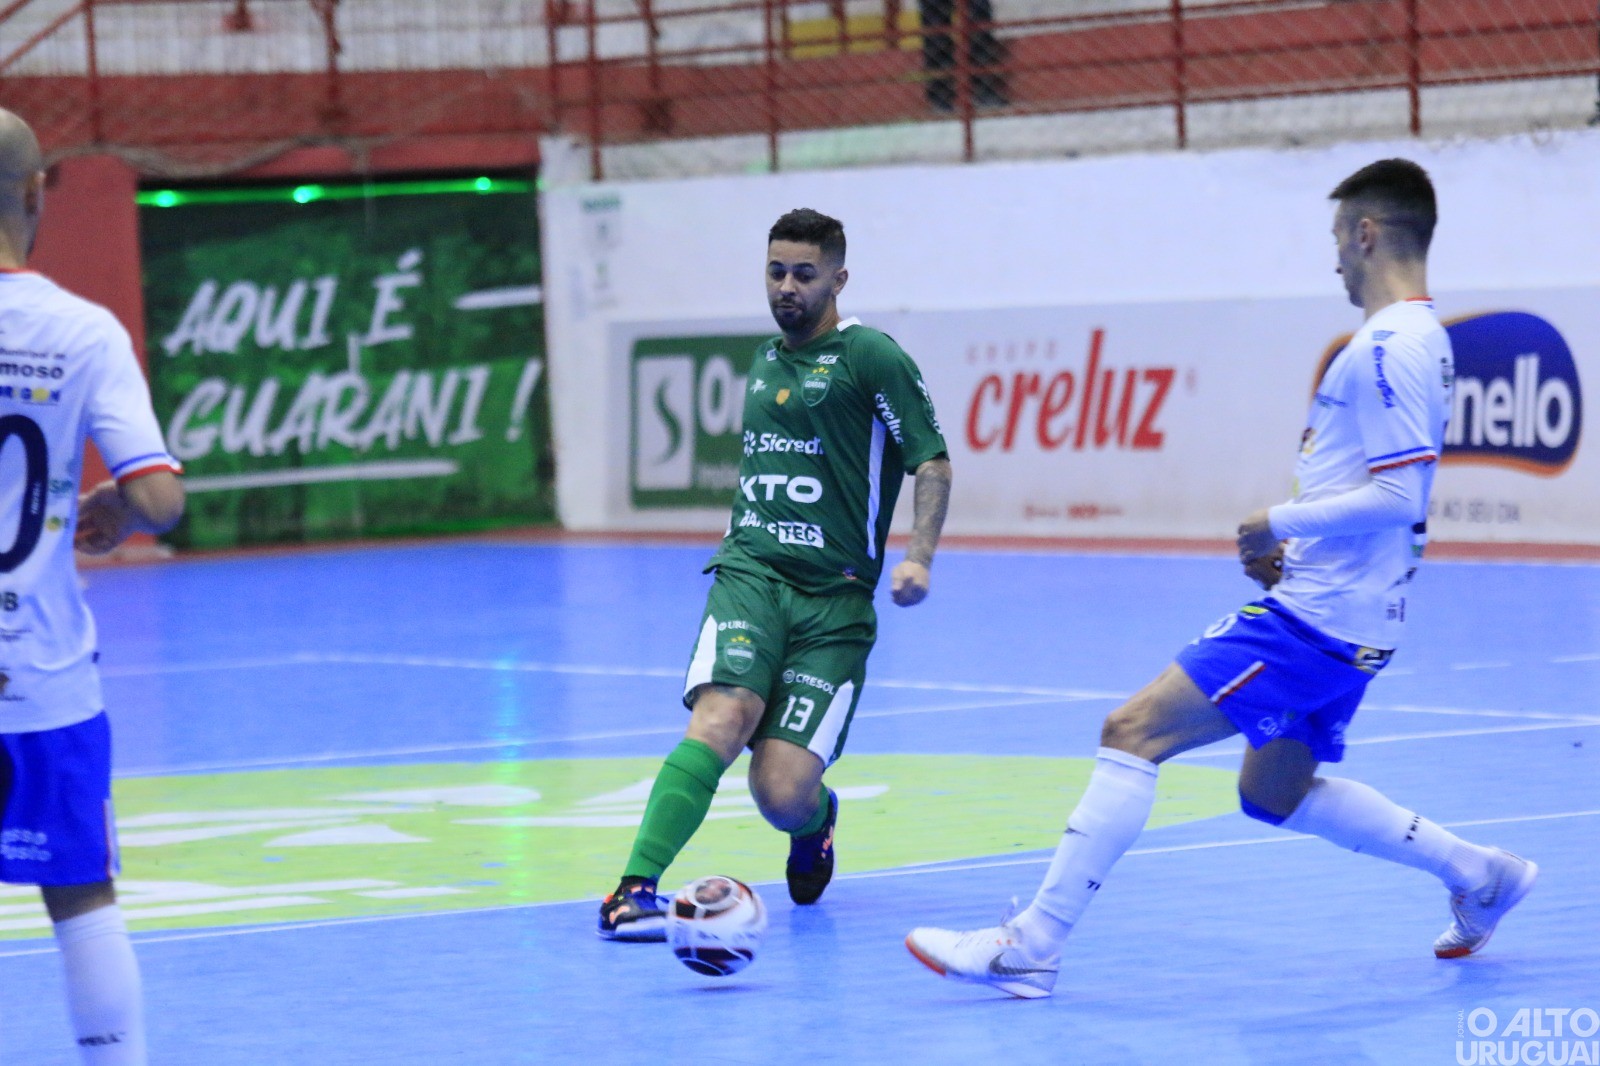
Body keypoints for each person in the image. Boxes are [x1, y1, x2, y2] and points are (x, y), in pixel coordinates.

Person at [905, 158, 1537, 998]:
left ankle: (1031, 945)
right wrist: (1295, 548)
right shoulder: (1420, 340)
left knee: (1132, 731)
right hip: (1350, 618)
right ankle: (1481, 875)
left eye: (1338, 243)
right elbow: (1381, 492)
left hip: (1315, 621)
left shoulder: (1390, 345)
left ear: (1367, 234)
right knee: (1271, 792)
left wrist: (1275, 522)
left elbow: (1399, 494)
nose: (1336, 263)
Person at [599, 208, 953, 939]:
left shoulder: (871, 357)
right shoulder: (765, 359)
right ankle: (632, 889)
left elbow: (931, 459)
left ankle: (816, 822)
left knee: (781, 790)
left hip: (836, 605)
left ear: (838, 278)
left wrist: (918, 555)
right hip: (752, 574)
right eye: (776, 271)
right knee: (724, 716)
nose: (787, 287)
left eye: (804, 274)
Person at [0, 108, 185, 1062]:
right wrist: (113, 505)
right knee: (79, 899)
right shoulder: (82, 332)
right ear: (37, 195)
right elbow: (158, 498)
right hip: (40, 676)